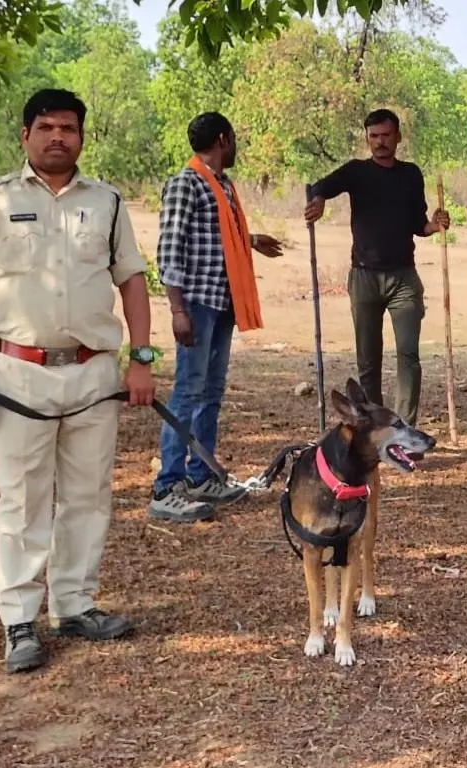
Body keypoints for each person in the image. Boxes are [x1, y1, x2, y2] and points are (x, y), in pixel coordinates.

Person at [0, 88, 157, 673]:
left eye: (68, 127)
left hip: (93, 373)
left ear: (82, 136)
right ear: (25, 135)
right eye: (46, 127)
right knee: (22, 500)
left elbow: (131, 279)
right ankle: (19, 621)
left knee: (88, 496)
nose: (57, 136)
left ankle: (75, 604)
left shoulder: (107, 202)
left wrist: (142, 357)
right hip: (20, 377)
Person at [149, 112, 283, 522]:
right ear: (224, 139)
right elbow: (170, 249)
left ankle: (202, 475)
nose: (236, 145)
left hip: (223, 303)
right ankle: (167, 486)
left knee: (210, 392)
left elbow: (216, 234)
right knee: (187, 392)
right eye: (235, 138)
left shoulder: (222, 184)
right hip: (196, 303)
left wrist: (251, 239)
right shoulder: (185, 183)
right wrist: (177, 309)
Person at [303, 108, 449, 427]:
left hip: (404, 280)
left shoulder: (411, 174)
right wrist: (319, 200)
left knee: (408, 355)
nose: (380, 142)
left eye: (386, 135)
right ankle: (375, 427)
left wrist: (435, 226)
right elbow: (319, 187)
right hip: (364, 277)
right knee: (368, 362)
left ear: (398, 136)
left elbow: (417, 225)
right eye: (374, 136)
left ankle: (404, 429)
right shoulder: (356, 171)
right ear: (367, 138)